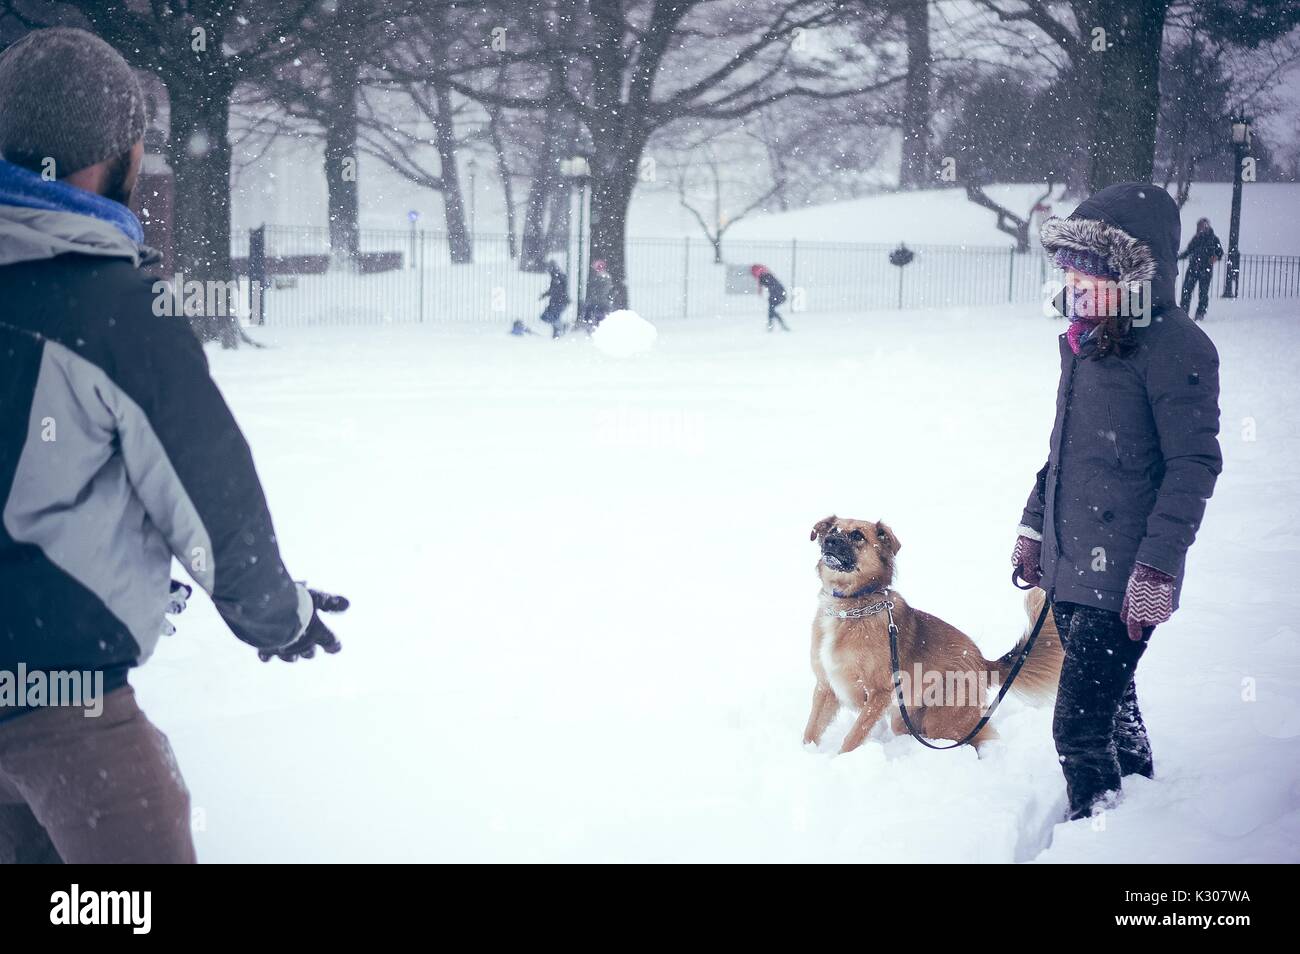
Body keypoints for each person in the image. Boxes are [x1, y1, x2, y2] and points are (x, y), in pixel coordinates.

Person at [0, 27, 347, 863]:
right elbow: (208, 490)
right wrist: (275, 615)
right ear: (113, 157)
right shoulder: (116, 308)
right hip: (68, 713)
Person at [1012, 183, 1221, 822]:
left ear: (1133, 274)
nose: (1072, 281)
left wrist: (1157, 569)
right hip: (1074, 564)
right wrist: (1034, 526)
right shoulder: (1083, 343)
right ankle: (1140, 790)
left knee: (1076, 729)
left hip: (1128, 571)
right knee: (1112, 698)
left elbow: (1194, 464)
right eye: (1068, 267)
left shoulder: (1176, 347)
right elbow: (1065, 452)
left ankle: (1102, 836)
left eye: (1087, 269)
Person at [1177, 217, 1223, 321]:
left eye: (1202, 226)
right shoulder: (1196, 238)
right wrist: (1178, 257)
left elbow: (1220, 253)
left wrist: (1214, 257)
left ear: (1207, 227)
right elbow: (1189, 250)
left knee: (1203, 292)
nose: (1200, 229)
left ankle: (1200, 313)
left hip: (1205, 270)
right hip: (1193, 268)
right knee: (1186, 290)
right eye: (1199, 227)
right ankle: (1184, 312)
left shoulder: (1214, 239)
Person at [750, 264, 790, 331]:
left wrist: (771, 295)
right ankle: (776, 325)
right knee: (771, 310)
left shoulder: (763, 277)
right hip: (779, 294)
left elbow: (771, 286)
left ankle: (773, 325)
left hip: (777, 295)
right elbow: (772, 285)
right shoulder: (766, 276)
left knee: (771, 310)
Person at [579, 258, 613, 332]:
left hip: (599, 301)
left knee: (595, 314)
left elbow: (600, 291)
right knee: (595, 314)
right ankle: (593, 326)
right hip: (599, 301)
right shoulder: (604, 277)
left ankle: (593, 326)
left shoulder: (601, 278)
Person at [537, 261, 569, 338]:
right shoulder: (556, 277)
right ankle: (559, 329)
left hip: (559, 302)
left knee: (552, 317)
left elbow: (557, 290)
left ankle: (560, 329)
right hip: (556, 301)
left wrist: (549, 293)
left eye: (549, 268)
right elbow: (553, 290)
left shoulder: (559, 277)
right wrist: (545, 294)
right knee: (549, 317)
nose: (548, 270)